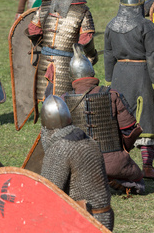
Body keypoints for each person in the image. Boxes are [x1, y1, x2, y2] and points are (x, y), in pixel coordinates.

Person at [62, 43, 145, 194]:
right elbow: (129, 129)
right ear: (92, 72)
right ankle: (112, 179)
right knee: (138, 180)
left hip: (78, 166)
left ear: (72, 76)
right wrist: (125, 149)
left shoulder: (62, 101)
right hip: (115, 165)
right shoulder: (112, 95)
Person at [104, 0, 154, 180]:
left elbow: (109, 55)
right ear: (139, 3)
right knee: (146, 118)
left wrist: (109, 81)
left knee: (121, 120)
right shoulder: (146, 26)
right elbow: (153, 55)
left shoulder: (111, 25)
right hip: (142, 76)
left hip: (119, 76)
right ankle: (147, 166)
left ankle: (123, 164)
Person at [40, 95, 114, 230]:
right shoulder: (88, 140)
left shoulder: (60, 148)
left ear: (46, 128)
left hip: (82, 221)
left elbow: (47, 196)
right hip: (105, 218)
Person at [27, 0, 98, 102]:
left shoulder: (45, 5)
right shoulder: (82, 11)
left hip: (45, 61)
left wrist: (44, 44)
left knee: (48, 100)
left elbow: (33, 30)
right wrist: (92, 56)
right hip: (66, 64)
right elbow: (86, 40)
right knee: (64, 103)